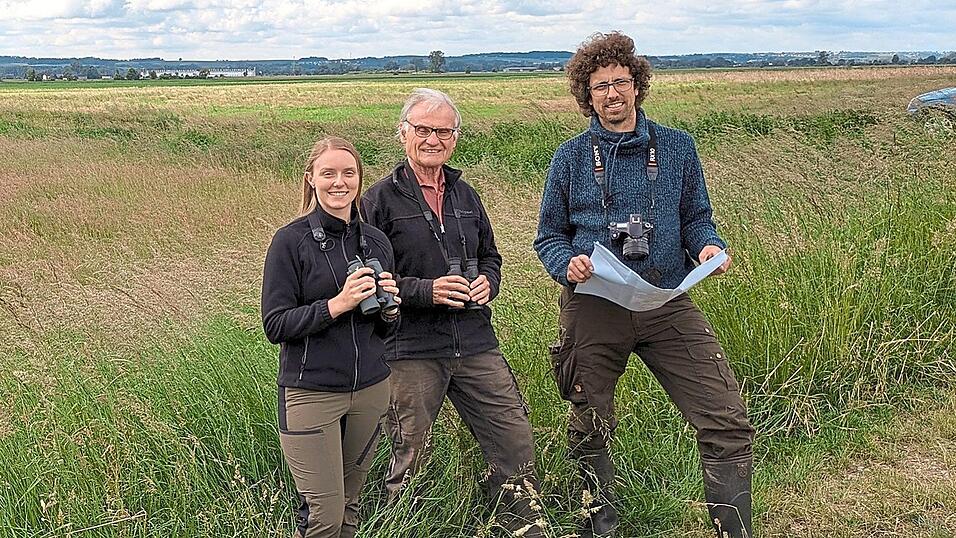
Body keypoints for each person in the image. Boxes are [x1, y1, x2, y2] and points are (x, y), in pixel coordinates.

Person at [534, 32, 756, 538]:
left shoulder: (677, 146)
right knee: (590, 422)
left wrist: (707, 247)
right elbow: (548, 237)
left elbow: (697, 217)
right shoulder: (569, 157)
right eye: (600, 87)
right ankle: (599, 527)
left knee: (725, 418)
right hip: (595, 303)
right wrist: (566, 264)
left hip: (666, 300)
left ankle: (734, 530)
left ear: (638, 86)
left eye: (621, 83)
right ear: (586, 97)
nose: (612, 94)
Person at [361, 88, 545, 536]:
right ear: (403, 133)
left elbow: (491, 257)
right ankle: (403, 527)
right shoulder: (377, 202)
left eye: (443, 131)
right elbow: (369, 281)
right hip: (411, 348)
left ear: (455, 137)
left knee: (513, 438)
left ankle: (521, 525)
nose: (433, 139)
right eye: (423, 129)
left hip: (475, 341)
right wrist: (427, 291)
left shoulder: (466, 194)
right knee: (410, 452)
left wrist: (488, 282)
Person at [261, 136, 401, 538]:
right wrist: (336, 304)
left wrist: (390, 307)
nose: (339, 182)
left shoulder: (376, 240)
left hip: (371, 388)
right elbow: (275, 324)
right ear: (311, 179)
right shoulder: (291, 242)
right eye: (329, 173)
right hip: (311, 394)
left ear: (359, 179)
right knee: (323, 514)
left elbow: (385, 329)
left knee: (350, 504)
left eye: (348, 173)